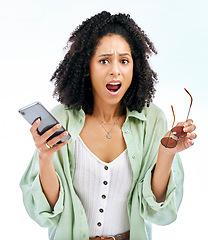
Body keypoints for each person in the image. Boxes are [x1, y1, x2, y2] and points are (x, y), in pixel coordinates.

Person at [20, 11, 197, 240]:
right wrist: (44, 157)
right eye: (104, 60)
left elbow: (156, 212)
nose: (115, 70)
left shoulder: (153, 119)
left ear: (135, 66)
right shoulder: (61, 120)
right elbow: (48, 214)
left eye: (124, 61)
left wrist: (167, 153)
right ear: (87, 67)